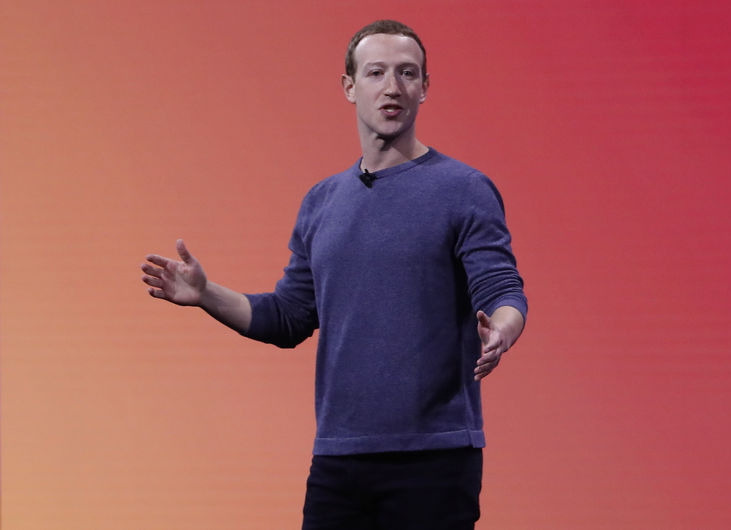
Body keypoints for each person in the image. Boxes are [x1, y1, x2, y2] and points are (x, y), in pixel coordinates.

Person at [141, 19, 526, 530]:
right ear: (349, 87)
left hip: (434, 458)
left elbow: (504, 291)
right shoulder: (321, 202)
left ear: (425, 88)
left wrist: (501, 330)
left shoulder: (464, 189)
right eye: (376, 73)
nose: (393, 87)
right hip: (338, 461)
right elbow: (288, 317)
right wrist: (205, 293)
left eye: (408, 73)